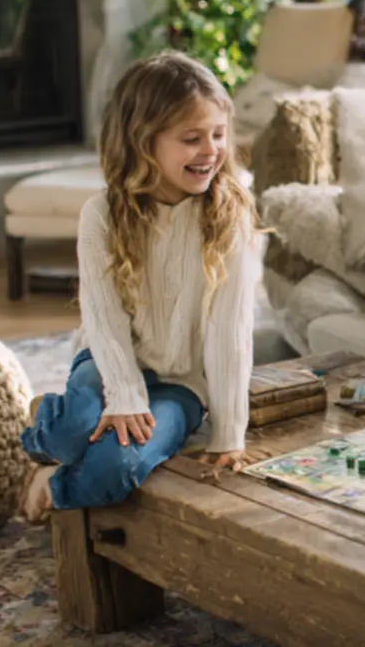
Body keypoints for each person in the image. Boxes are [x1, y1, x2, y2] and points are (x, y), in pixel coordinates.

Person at [18, 52, 261, 523]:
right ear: (142, 142)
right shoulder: (102, 215)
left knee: (119, 467)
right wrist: (124, 395)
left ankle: (54, 482)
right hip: (107, 364)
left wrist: (229, 433)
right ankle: (47, 433)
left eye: (217, 134)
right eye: (191, 139)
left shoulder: (229, 216)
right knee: (69, 432)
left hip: (180, 386)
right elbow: (102, 316)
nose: (210, 150)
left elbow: (230, 334)